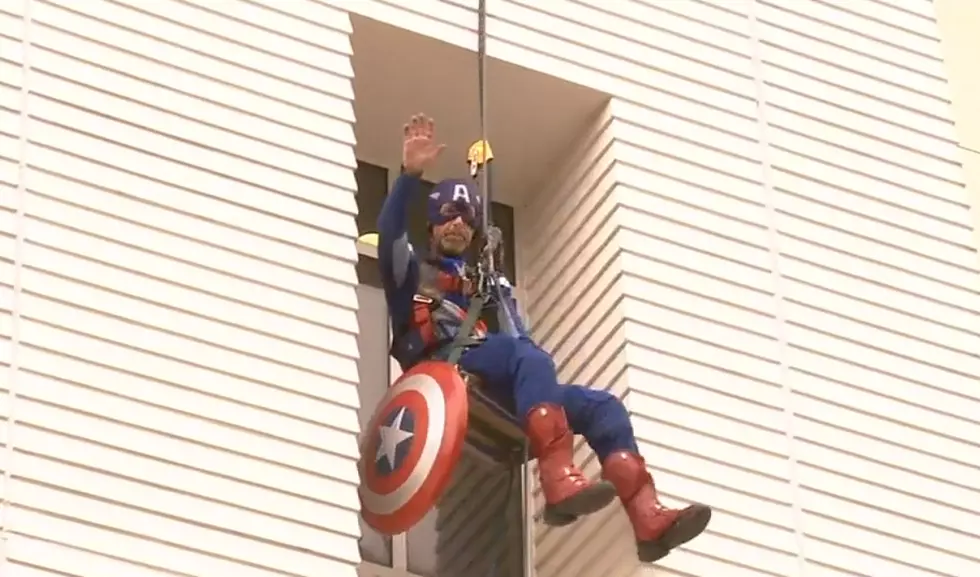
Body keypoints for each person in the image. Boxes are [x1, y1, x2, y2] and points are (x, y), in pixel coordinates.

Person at [376, 113, 711, 563]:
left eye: (465, 219)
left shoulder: (487, 285)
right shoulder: (412, 273)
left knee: (601, 406)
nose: (456, 224)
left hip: (492, 377)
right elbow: (390, 237)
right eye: (447, 215)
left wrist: (499, 296)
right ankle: (557, 481)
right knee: (527, 359)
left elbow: (520, 340)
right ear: (434, 224)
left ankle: (648, 517)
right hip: (445, 375)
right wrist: (409, 176)